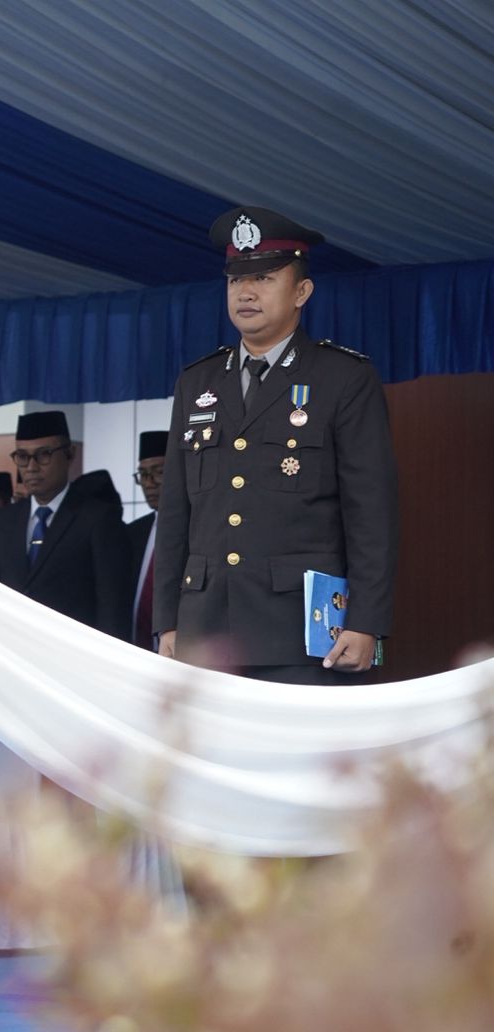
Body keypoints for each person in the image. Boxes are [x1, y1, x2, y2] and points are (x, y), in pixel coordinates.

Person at [154, 206, 399, 683]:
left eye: (264, 278)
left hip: (300, 632)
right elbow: (176, 511)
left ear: (301, 291)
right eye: (235, 280)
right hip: (205, 630)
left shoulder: (343, 378)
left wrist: (366, 621)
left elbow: (371, 512)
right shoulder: (197, 381)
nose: (245, 292)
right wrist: (167, 619)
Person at [0, 411, 130, 638]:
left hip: (72, 649)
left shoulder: (97, 518)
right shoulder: (2, 522)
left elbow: (112, 604)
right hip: (11, 648)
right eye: (22, 456)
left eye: (44, 454)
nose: (31, 467)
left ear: (70, 454)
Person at [128, 430, 167, 649]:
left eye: (159, 472)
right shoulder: (133, 533)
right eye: (143, 475)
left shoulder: (198, 531)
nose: (149, 483)